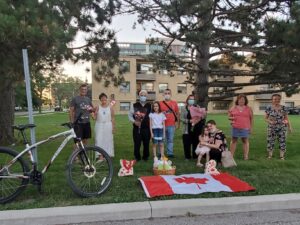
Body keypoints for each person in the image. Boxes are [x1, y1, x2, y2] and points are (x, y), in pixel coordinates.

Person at [265, 94, 292, 160]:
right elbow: (265, 118)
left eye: (278, 99)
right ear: (272, 100)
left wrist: (289, 127)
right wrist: (270, 121)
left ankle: (282, 156)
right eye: (275, 99)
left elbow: (286, 118)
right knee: (270, 141)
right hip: (271, 128)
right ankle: (270, 156)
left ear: (280, 99)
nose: (276, 100)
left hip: (282, 127)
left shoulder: (283, 108)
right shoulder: (269, 107)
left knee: (282, 141)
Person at [181, 94, 206, 160]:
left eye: (193, 99)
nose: (191, 100)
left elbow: (202, 116)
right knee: (186, 142)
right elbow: (181, 119)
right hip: (187, 128)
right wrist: (189, 121)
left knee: (195, 142)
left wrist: (202, 115)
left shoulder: (197, 107)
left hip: (196, 128)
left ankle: (195, 156)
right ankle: (187, 156)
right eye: (190, 99)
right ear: (187, 100)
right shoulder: (183, 108)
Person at [128, 90, 152, 161]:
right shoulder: (134, 105)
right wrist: (134, 121)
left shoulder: (150, 105)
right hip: (137, 128)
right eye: (142, 95)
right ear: (139, 96)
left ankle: (146, 156)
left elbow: (152, 116)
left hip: (146, 128)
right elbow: (129, 115)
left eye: (144, 95)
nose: (143, 97)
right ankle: (137, 157)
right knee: (137, 143)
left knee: (146, 143)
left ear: (146, 96)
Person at [228, 94, 253, 160]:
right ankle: (231, 156)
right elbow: (229, 117)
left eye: (243, 99)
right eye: (240, 99)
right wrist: (231, 119)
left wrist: (251, 128)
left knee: (245, 141)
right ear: (237, 100)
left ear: (245, 101)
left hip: (245, 127)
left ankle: (246, 156)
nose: (241, 101)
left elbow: (251, 119)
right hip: (235, 127)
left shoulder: (249, 108)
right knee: (233, 141)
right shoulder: (233, 107)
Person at [93, 93, 115, 159]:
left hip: (108, 125)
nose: (104, 101)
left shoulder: (110, 107)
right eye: (102, 100)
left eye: (105, 100)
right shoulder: (97, 107)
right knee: (99, 139)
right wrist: (94, 114)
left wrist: (113, 127)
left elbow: (113, 118)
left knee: (108, 140)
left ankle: (108, 154)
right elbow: (94, 118)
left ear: (107, 99)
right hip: (99, 125)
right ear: (100, 100)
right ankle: (100, 156)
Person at [159, 89, 180, 158]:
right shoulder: (160, 103)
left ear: (171, 95)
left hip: (171, 124)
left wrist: (177, 123)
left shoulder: (174, 103)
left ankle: (170, 153)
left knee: (170, 139)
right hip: (162, 125)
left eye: (168, 93)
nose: (167, 94)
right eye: (165, 93)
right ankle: (160, 153)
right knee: (162, 139)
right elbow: (156, 113)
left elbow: (177, 113)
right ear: (163, 94)